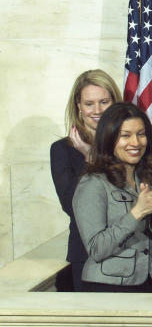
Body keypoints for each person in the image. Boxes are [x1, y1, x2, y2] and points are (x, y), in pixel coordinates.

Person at [72, 102, 152, 292]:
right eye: (125, 136)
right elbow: (96, 249)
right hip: (109, 287)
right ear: (109, 139)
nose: (135, 143)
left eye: (141, 134)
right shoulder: (93, 184)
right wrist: (136, 213)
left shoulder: (146, 179)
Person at [50, 70, 120, 291]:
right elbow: (72, 205)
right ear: (78, 106)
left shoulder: (129, 145)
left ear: (115, 103)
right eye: (89, 103)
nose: (97, 110)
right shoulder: (62, 150)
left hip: (132, 255)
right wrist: (90, 160)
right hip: (87, 256)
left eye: (104, 102)